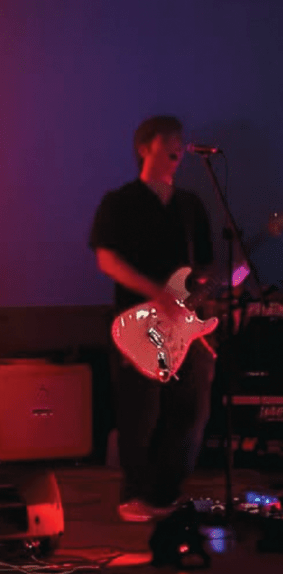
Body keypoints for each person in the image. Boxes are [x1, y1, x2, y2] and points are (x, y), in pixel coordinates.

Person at [90, 115, 216, 522]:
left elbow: (206, 265)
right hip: (138, 322)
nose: (179, 147)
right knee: (140, 413)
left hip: (184, 326)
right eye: (169, 141)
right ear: (145, 148)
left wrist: (203, 291)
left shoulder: (190, 206)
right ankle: (134, 494)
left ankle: (165, 494)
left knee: (191, 411)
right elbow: (107, 259)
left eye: (181, 141)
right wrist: (156, 293)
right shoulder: (120, 202)